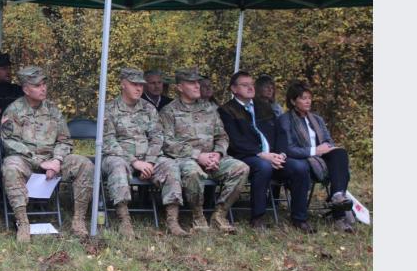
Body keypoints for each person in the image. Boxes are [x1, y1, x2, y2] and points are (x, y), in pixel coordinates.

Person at [1, 66, 94, 241]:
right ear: (26, 89)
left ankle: (79, 220)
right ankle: (23, 223)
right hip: (26, 160)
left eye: (44, 84)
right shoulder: (13, 110)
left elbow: (64, 140)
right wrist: (39, 162)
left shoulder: (53, 110)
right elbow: (10, 142)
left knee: (85, 164)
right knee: (10, 166)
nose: (43, 88)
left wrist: (56, 161)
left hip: (53, 159)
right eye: (37, 85)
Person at [218, 71, 313, 232]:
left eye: (251, 84)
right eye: (245, 85)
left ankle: (300, 219)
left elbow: (280, 132)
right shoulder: (227, 110)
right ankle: (258, 218)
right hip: (246, 156)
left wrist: (281, 154)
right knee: (263, 166)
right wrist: (262, 155)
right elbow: (235, 141)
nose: (250, 88)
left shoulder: (263, 106)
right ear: (234, 89)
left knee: (300, 167)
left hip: (274, 156)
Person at [159, 68, 249, 234]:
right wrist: (198, 156)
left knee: (241, 168)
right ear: (179, 87)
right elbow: (167, 143)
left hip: (213, 159)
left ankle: (219, 215)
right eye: (191, 83)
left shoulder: (209, 109)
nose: (197, 86)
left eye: (197, 82)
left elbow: (222, 136)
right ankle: (198, 215)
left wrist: (218, 154)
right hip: (186, 159)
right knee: (193, 172)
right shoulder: (169, 111)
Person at [102, 68, 185, 238]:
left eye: (141, 85)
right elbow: (108, 141)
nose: (139, 88)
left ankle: (173, 221)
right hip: (119, 156)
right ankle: (124, 221)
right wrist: (134, 162)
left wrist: (150, 162)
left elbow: (157, 137)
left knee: (170, 165)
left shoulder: (148, 108)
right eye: (134, 84)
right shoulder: (109, 109)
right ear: (123, 84)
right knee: (117, 165)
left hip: (148, 158)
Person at [279, 80, 355, 233]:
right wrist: (315, 150)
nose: (308, 101)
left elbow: (328, 140)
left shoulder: (316, 119)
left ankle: (337, 199)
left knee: (340, 154)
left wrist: (329, 148)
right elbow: (288, 148)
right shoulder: (285, 120)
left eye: (309, 98)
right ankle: (303, 219)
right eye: (303, 98)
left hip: (320, 157)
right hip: (301, 158)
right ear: (293, 101)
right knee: (303, 168)